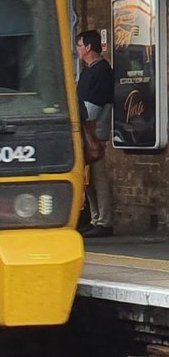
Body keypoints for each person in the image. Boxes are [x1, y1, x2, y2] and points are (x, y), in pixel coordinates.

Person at [75, 30, 113, 238]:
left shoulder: (101, 71)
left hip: (94, 131)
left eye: (80, 45)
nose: (78, 49)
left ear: (89, 47)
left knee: (98, 176)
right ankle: (95, 217)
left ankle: (105, 220)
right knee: (88, 178)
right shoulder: (88, 70)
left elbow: (93, 107)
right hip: (85, 128)